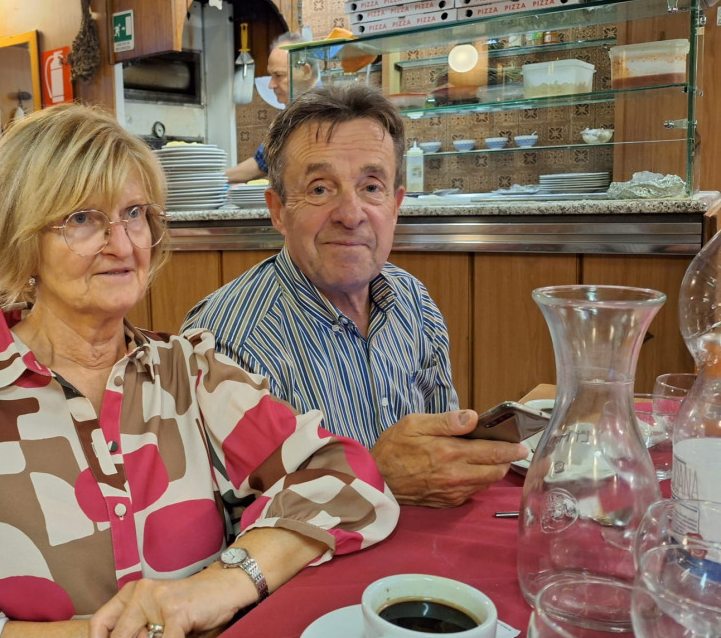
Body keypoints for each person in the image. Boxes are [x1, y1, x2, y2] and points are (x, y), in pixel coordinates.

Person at [0, 103, 398, 638]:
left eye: (134, 214)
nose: (122, 244)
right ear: (21, 237)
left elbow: (346, 475)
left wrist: (220, 586)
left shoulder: (189, 373)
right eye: (82, 218)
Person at [184, 84, 529, 508]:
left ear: (396, 205)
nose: (350, 215)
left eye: (371, 187)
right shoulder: (224, 342)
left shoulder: (413, 301)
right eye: (319, 189)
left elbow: (440, 449)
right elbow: (229, 522)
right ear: (277, 210)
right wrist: (374, 477)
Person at [224, 31, 318, 184]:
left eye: (278, 75)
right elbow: (261, 163)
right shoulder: (287, 118)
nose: (271, 85)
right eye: (271, 76)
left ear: (305, 72)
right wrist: (211, 178)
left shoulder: (328, 112)